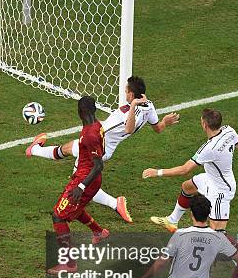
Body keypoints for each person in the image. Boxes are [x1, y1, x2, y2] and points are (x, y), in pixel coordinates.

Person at [26, 76, 180, 223]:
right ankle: (35, 149)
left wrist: (132, 106)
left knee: (80, 182)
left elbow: (129, 129)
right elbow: (158, 128)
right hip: (105, 145)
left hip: (96, 144)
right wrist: (165, 122)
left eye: (126, 91)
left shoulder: (127, 113)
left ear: (132, 94)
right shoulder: (149, 105)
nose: (125, 93)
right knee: (66, 150)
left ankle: (115, 204)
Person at [143, 108, 238, 233]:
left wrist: (157, 172)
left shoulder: (209, 149)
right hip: (211, 178)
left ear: (204, 125)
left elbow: (184, 169)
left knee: (216, 235)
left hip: (221, 191)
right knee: (187, 186)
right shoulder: (229, 130)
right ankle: (172, 221)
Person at [46, 96, 108, 275]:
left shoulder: (89, 135)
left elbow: (98, 165)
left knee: (58, 215)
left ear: (80, 112)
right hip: (84, 178)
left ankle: (69, 264)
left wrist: (80, 187)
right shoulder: (96, 125)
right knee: (75, 207)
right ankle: (98, 232)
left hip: (85, 181)